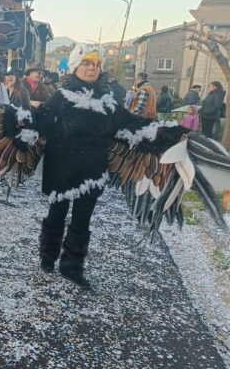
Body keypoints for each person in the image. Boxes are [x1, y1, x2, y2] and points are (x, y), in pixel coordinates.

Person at [28, 45, 186, 289]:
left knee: (82, 220)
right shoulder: (61, 97)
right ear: (75, 67)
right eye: (87, 64)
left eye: (96, 65)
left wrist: (167, 133)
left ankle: (72, 268)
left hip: (92, 168)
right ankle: (48, 257)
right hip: (61, 166)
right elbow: (40, 123)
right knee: (56, 214)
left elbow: (131, 126)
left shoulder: (108, 103)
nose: (92, 69)